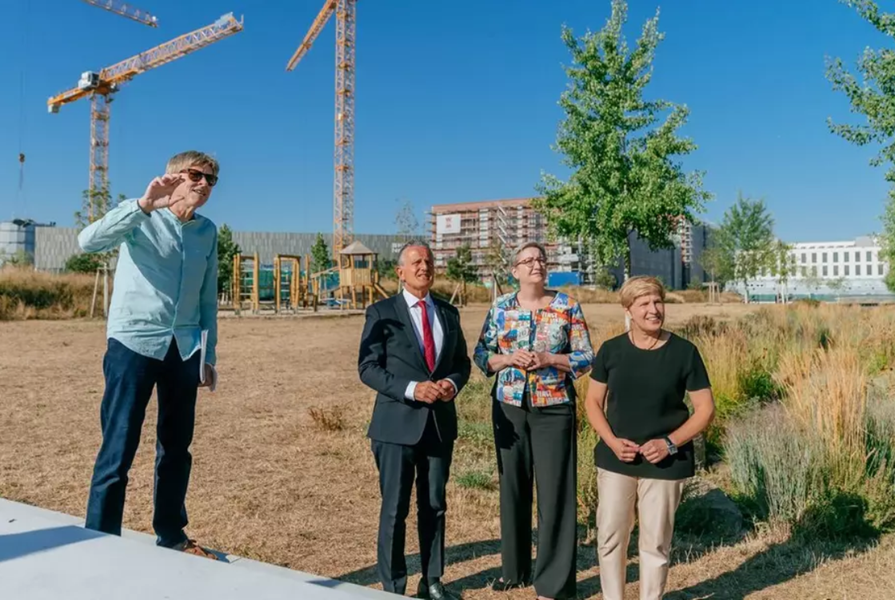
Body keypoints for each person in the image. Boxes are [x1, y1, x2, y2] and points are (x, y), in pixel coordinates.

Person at [79, 150, 221, 559]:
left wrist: (208, 354)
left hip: (184, 347)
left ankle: (172, 534)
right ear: (173, 176)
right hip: (133, 344)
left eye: (212, 180)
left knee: (177, 446)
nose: (204, 184)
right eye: (197, 175)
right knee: (119, 443)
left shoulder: (207, 232)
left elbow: (207, 297)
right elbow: (88, 242)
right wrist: (143, 204)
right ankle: (100, 539)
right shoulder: (138, 214)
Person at [474, 242, 593, 600]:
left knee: (555, 493)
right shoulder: (500, 307)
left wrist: (550, 358)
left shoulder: (567, 306)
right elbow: (482, 355)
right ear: (515, 270)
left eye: (540, 259)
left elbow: (587, 357)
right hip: (509, 406)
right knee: (512, 488)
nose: (536, 264)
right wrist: (508, 358)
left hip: (554, 407)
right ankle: (514, 571)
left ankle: (553, 584)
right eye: (528, 260)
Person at [585, 276, 715, 600]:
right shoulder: (611, 350)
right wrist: (613, 442)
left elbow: (704, 409)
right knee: (611, 537)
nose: (653, 310)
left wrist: (669, 443)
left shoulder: (685, 352)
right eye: (644, 304)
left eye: (658, 302)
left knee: (655, 542)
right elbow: (592, 403)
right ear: (628, 310)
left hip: (666, 462)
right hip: (617, 459)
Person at [358, 241, 471, 600]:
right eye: (416, 262)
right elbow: (367, 368)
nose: (424, 266)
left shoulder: (449, 314)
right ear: (400, 271)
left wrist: (452, 384)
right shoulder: (381, 313)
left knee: (434, 506)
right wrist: (410, 389)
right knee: (395, 508)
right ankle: (393, 588)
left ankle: (432, 581)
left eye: (429, 261)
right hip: (395, 427)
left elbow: (462, 363)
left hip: (438, 426)